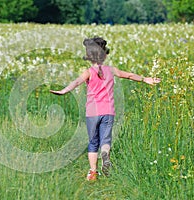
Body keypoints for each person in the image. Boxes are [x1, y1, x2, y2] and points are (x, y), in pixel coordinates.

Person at [50, 37, 161, 181]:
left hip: (92, 113)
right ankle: (105, 154)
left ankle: (93, 172)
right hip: (108, 111)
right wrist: (145, 79)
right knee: (106, 139)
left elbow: (76, 82)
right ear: (105, 54)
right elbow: (129, 75)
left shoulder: (89, 72)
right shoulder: (111, 70)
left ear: (89, 57)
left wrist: (64, 90)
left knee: (93, 142)